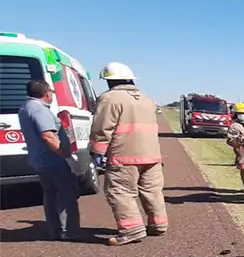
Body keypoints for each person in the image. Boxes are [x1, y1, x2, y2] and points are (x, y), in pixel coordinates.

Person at [90, 62, 167, 246]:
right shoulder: (146, 99)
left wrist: (97, 152)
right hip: (152, 156)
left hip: (124, 156)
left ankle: (132, 230)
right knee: (152, 191)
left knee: (120, 191)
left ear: (110, 81)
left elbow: (102, 129)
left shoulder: (109, 99)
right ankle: (158, 224)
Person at [17, 79, 81, 241]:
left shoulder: (25, 108)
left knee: (51, 194)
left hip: (40, 160)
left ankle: (56, 230)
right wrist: (65, 155)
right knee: (66, 195)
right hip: (53, 160)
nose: (52, 95)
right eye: (51, 92)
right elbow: (48, 136)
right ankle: (69, 231)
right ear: (46, 93)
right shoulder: (39, 110)